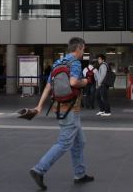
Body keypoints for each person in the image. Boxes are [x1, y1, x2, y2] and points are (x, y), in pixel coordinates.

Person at [29, 37, 94, 190]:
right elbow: (73, 83)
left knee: (79, 142)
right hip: (69, 108)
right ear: (78, 48)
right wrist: (84, 82)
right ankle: (39, 169)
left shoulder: (58, 63)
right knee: (64, 142)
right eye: (83, 49)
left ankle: (80, 173)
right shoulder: (75, 63)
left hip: (61, 107)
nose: (83, 51)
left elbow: (48, 86)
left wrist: (39, 106)